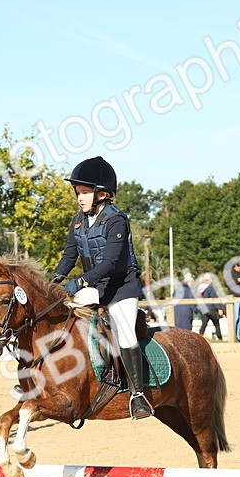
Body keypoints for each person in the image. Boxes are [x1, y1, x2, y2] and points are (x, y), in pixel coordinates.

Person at [52, 155, 152, 420]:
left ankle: (138, 395)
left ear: (102, 194)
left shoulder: (116, 220)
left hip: (122, 287)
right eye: (78, 193)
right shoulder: (78, 221)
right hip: (97, 287)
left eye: (84, 192)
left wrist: (81, 281)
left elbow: (109, 262)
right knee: (59, 315)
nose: (79, 198)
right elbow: (68, 256)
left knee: (126, 334)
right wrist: (56, 279)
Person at [196, 274, 224, 340]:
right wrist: (219, 308)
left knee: (204, 324)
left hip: (202, 308)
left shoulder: (199, 288)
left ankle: (199, 337)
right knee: (216, 323)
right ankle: (219, 337)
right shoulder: (210, 287)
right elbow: (214, 298)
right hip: (211, 308)